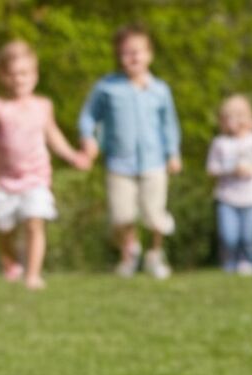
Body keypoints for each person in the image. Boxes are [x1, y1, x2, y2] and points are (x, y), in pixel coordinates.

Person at [0, 40, 89, 290]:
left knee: (35, 221)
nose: (19, 79)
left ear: (35, 75)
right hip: (5, 180)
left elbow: (53, 136)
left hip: (37, 177)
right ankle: (9, 262)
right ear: (1, 75)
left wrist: (72, 156)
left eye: (25, 73)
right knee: (2, 226)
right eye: (12, 74)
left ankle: (32, 275)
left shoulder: (43, 106)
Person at [78, 25, 182, 279]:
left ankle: (155, 255)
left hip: (154, 161)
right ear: (118, 56)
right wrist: (87, 139)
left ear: (149, 54)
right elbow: (88, 116)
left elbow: (169, 124)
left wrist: (173, 153)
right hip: (119, 162)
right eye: (125, 53)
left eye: (137, 52)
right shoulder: (107, 88)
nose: (132, 58)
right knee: (122, 216)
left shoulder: (160, 90)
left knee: (154, 214)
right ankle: (130, 252)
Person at [205, 94, 252, 276]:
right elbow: (211, 169)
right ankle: (229, 264)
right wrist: (231, 170)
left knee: (248, 237)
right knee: (228, 236)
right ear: (222, 120)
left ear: (249, 118)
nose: (235, 121)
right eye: (229, 117)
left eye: (239, 116)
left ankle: (248, 262)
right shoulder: (220, 143)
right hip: (227, 197)